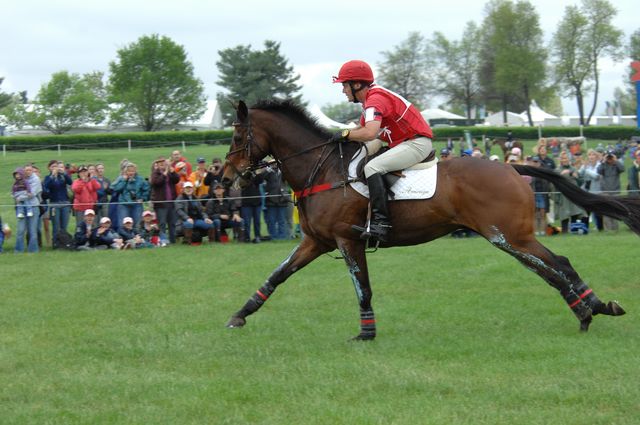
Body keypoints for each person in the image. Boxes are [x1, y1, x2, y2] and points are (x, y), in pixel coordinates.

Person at [331, 60, 433, 241]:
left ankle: (381, 224)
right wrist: (337, 138)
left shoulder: (375, 100)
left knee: (372, 168)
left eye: (345, 85)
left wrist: (345, 134)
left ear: (356, 84)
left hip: (417, 143)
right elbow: (362, 134)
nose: (343, 90)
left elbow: (369, 132)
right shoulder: (370, 99)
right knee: (357, 155)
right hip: (401, 142)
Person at [149, 157, 180, 244]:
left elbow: (177, 180)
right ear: (157, 165)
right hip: (161, 204)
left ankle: (173, 240)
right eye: (160, 163)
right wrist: (164, 174)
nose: (162, 164)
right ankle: (163, 241)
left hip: (171, 202)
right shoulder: (155, 173)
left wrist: (173, 172)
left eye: (163, 162)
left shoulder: (170, 172)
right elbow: (156, 182)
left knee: (172, 223)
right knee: (162, 223)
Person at [44, 160, 73, 248]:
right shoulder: (48, 177)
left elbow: (70, 182)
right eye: (53, 166)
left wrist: (64, 173)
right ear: (49, 168)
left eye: (56, 166)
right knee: (56, 226)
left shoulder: (62, 176)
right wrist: (53, 176)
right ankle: (55, 244)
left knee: (64, 226)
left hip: (65, 204)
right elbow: (46, 186)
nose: (55, 168)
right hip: (54, 204)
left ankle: (63, 243)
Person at [111, 162, 149, 229]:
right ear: (126, 171)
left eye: (133, 171)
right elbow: (115, 189)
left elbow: (147, 189)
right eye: (129, 171)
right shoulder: (121, 178)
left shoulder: (140, 179)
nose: (131, 173)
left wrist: (143, 198)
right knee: (123, 224)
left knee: (137, 224)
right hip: (123, 204)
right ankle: (124, 238)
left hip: (136, 204)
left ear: (135, 171)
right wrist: (124, 181)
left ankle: (137, 238)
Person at [554, 152, 585, 233]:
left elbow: (581, 181)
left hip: (573, 195)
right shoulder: (557, 170)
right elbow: (554, 182)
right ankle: (564, 231)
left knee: (574, 212)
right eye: (563, 158)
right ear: (560, 160)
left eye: (566, 158)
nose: (565, 160)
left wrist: (576, 177)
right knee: (564, 214)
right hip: (563, 196)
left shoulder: (574, 169)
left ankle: (574, 230)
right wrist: (561, 174)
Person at [15, 164, 42, 253]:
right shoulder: (20, 179)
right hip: (21, 208)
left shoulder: (36, 179)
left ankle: (33, 250)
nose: (28, 172)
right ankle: (19, 250)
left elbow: (32, 193)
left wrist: (19, 197)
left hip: (33, 207)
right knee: (20, 230)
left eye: (30, 170)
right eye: (26, 170)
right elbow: (15, 191)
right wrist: (18, 196)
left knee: (32, 231)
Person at [597, 149, 625, 231]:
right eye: (608, 156)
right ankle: (608, 230)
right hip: (605, 191)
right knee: (606, 212)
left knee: (615, 211)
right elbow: (598, 171)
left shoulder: (616, 165)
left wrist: (615, 160)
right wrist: (603, 160)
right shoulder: (603, 165)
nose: (609, 158)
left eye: (610, 156)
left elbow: (622, 169)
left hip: (615, 191)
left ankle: (615, 229)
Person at [578, 149, 604, 231]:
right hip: (586, 190)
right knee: (585, 210)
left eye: (593, 155)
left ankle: (599, 227)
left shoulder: (599, 165)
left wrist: (587, 170)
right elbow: (579, 174)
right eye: (589, 155)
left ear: (596, 157)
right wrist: (583, 168)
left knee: (597, 210)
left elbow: (596, 176)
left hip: (596, 191)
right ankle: (584, 228)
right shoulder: (586, 165)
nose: (591, 157)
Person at [263, 165, 291, 240]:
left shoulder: (282, 171)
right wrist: (267, 171)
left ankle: (282, 236)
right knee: (271, 221)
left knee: (282, 220)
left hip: (282, 200)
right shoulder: (268, 172)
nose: (274, 164)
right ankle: (273, 236)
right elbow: (260, 179)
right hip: (270, 200)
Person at [240, 171, 265, 243]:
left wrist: (257, 173)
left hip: (257, 202)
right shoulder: (243, 175)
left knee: (257, 221)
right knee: (247, 222)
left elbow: (260, 180)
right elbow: (243, 183)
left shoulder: (255, 174)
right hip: (246, 203)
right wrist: (249, 173)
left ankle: (257, 236)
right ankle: (247, 237)